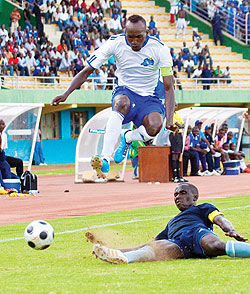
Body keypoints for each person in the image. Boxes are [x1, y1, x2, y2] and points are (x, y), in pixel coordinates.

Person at [52, 15, 176, 180]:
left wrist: (170, 119)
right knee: (120, 103)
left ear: (147, 32)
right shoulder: (114, 43)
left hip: (150, 96)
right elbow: (86, 71)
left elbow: (168, 87)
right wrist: (66, 93)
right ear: (125, 32)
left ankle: (128, 137)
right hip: (126, 91)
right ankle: (104, 158)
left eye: (138, 36)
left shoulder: (160, 49)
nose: (134, 41)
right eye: (130, 36)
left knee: (155, 126)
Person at [90, 183, 250, 264]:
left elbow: (219, 218)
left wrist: (231, 230)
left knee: (214, 246)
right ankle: (122, 258)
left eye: (182, 193)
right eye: (175, 195)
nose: (178, 197)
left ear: (194, 196)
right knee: (159, 248)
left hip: (198, 233)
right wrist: (111, 248)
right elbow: (150, 243)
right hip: (180, 244)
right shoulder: (171, 223)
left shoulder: (201, 208)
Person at [169, 103, 188, 183]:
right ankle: (175, 175)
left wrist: (180, 125)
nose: (176, 106)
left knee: (179, 154)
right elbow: (177, 124)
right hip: (174, 135)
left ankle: (179, 175)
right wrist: (180, 125)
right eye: (174, 105)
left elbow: (182, 124)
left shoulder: (177, 114)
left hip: (179, 135)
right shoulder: (170, 114)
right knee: (175, 155)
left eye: (176, 105)